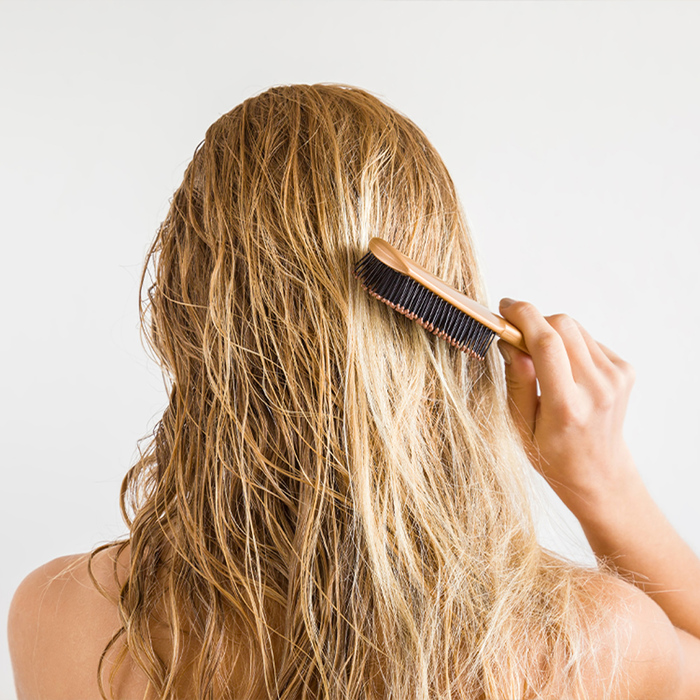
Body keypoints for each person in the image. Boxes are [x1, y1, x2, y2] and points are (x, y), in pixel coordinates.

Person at [7, 83, 700, 700]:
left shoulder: (62, 618)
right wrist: (605, 482)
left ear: (176, 313)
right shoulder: (588, 645)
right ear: (444, 321)